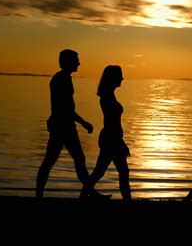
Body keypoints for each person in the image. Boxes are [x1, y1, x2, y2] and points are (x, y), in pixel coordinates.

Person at [36, 49, 101, 198]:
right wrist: (84, 123)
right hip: (63, 127)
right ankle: (91, 194)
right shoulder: (61, 79)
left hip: (63, 125)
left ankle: (91, 193)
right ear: (69, 61)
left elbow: (67, 108)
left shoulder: (63, 78)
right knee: (56, 160)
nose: (79, 63)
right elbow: (66, 108)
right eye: (76, 60)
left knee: (62, 160)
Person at [80, 65, 131, 200]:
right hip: (111, 139)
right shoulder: (107, 97)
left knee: (101, 171)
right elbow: (111, 124)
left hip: (111, 138)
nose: (122, 78)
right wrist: (120, 143)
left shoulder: (110, 95)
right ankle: (128, 201)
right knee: (120, 171)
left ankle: (83, 197)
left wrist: (121, 141)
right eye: (120, 75)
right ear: (113, 77)